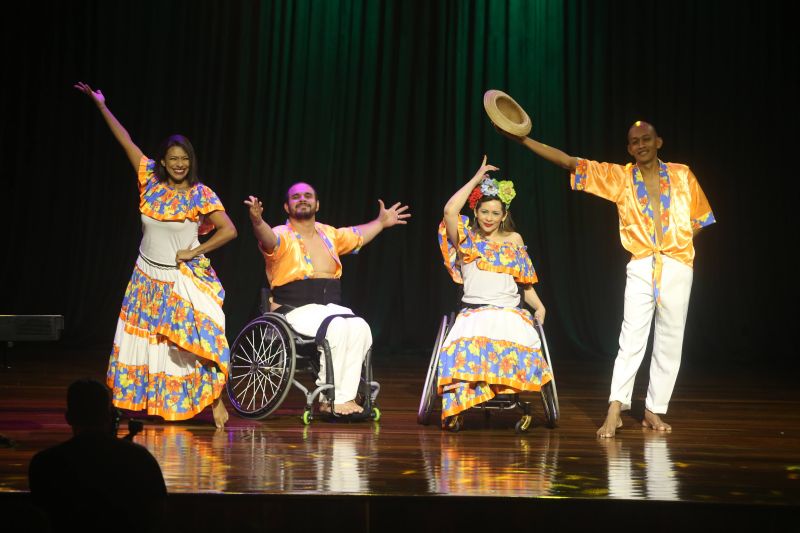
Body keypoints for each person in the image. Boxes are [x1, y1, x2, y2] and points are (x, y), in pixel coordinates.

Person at [501, 120, 715, 437]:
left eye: (646, 139)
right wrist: (524, 141)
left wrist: (679, 246)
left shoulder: (683, 174)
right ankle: (616, 406)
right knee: (631, 337)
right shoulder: (621, 177)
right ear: (629, 149)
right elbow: (570, 162)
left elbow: (701, 218)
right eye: (634, 142)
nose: (640, 145)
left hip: (677, 262)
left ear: (659, 142)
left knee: (670, 339)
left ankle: (654, 410)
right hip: (642, 262)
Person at [75, 82, 237, 429]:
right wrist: (102, 106)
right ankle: (145, 402)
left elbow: (229, 230)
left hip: (181, 277)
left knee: (197, 340)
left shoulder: (201, 194)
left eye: (185, 159)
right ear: (163, 161)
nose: (179, 164)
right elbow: (126, 142)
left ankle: (215, 401)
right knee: (146, 344)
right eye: (173, 158)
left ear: (190, 162)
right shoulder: (149, 178)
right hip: (146, 276)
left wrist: (195, 250)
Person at [244, 183, 409, 415]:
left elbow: (357, 236)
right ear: (286, 206)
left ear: (317, 204)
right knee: (337, 327)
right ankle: (330, 398)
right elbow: (268, 240)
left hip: (329, 307)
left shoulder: (328, 234)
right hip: (293, 308)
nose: (303, 199)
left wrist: (381, 222)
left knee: (360, 326)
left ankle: (345, 396)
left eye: (308, 196)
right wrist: (258, 221)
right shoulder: (281, 233)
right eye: (296, 197)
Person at [437, 156, 553, 426]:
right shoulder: (466, 237)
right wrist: (477, 178)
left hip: (510, 313)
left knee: (510, 341)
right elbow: (449, 211)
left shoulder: (514, 240)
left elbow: (524, 283)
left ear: (504, 216)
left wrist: (540, 306)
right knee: (466, 345)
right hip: (474, 313)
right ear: (476, 212)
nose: (489, 218)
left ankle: (513, 399)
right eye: (484, 211)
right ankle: (460, 406)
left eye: (495, 213)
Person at [28, 379, 167, 532]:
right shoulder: (140, 458)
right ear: (109, 416)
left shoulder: (46, 462)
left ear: (68, 418)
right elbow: (157, 512)